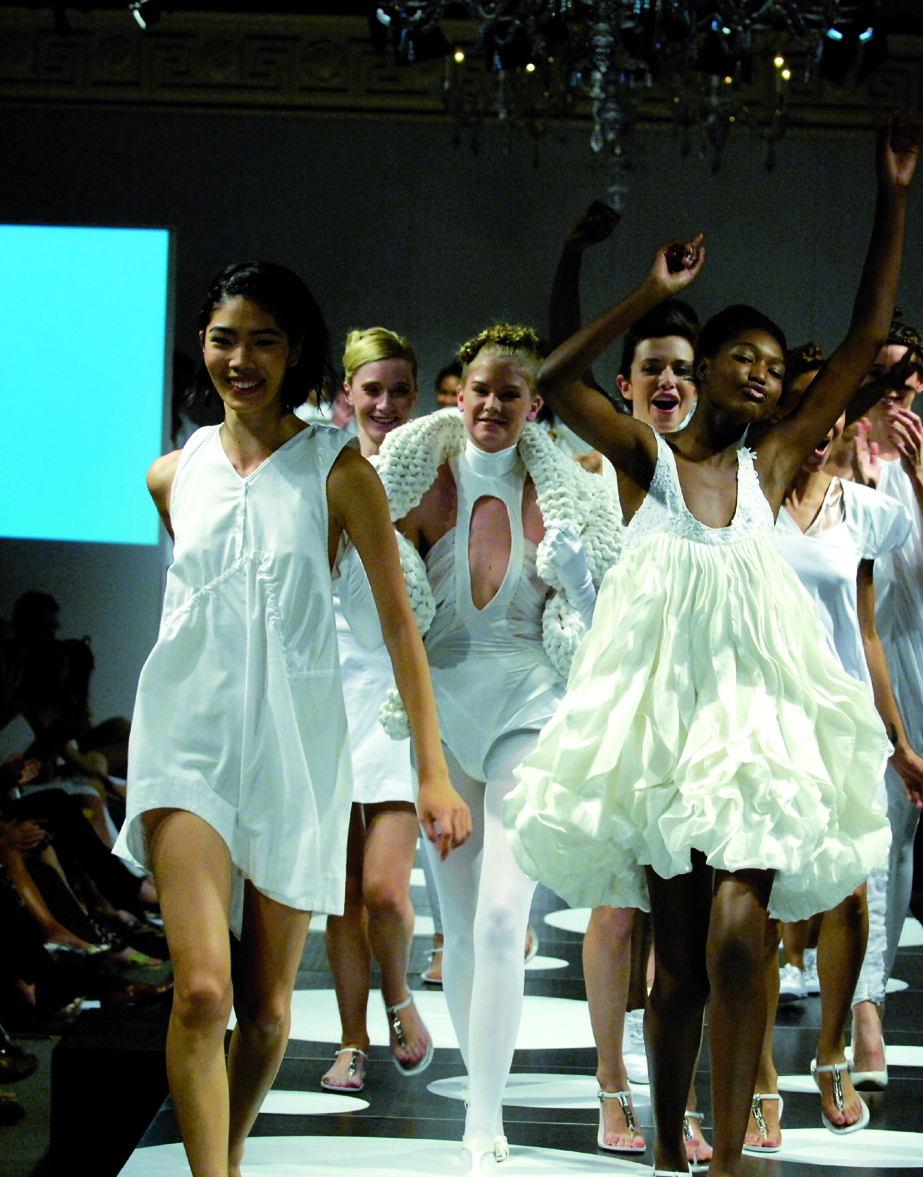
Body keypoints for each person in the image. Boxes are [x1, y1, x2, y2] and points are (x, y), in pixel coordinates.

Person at [505, 115, 922, 1177]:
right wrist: (635, 286)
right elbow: (553, 378)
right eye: (736, 353)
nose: (753, 370)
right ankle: (662, 1152)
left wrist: (894, 191)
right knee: (678, 964)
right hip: (662, 731)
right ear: (701, 368)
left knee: (742, 931)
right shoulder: (644, 459)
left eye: (768, 364)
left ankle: (730, 1152)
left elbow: (868, 321)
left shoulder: (773, 462)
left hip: (753, 722)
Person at [113, 261, 468, 1177]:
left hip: (296, 748)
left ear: (298, 351)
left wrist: (429, 769)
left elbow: (400, 624)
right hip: (184, 737)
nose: (241, 359)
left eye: (264, 340)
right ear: (202, 346)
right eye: (224, 338)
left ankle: (224, 1153)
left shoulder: (339, 471)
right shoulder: (173, 473)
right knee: (200, 991)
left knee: (268, 1010)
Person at [377, 323, 623, 1176]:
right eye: (480, 388)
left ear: (535, 403)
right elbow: (374, 597)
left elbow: (607, 625)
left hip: (530, 700)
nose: (490, 405)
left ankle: (484, 1117)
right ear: (460, 390)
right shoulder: (412, 479)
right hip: (441, 712)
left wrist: (582, 576)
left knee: (499, 917)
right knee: (457, 927)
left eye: (510, 393)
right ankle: (477, 1095)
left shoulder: (575, 488)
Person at [746, 344, 923, 1149]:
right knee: (751, 900)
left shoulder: (859, 509)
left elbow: (866, 634)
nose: (821, 431)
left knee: (850, 894)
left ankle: (831, 1050)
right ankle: (757, 1073)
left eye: (832, 417)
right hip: (758, 719)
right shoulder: (747, 494)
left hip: (841, 725)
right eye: (807, 413)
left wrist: (897, 739)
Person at [547, 198, 709, 1157]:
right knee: (617, 908)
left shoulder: (716, 469)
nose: (668, 380)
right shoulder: (610, 455)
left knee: (685, 926)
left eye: (683, 369)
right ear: (626, 381)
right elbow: (557, 363)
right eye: (652, 366)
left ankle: (681, 1092)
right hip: (613, 707)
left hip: (697, 715)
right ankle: (612, 1086)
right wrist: (587, 260)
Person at [833, 308, 923, 1090]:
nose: (895, 391)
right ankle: (860, 1007)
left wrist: (914, 471)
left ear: (921, 380)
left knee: (897, 829)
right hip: (851, 640)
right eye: (879, 377)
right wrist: (854, 468)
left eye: (905, 376)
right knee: (859, 818)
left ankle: (869, 991)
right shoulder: (840, 446)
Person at [318, 327, 443, 1094]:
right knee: (338, 895)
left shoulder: (435, 481)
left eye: (401, 389)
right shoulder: (322, 472)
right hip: (327, 690)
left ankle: (397, 993)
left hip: (399, 697)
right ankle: (352, 1037)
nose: (387, 404)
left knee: (385, 889)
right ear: (347, 394)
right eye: (373, 389)